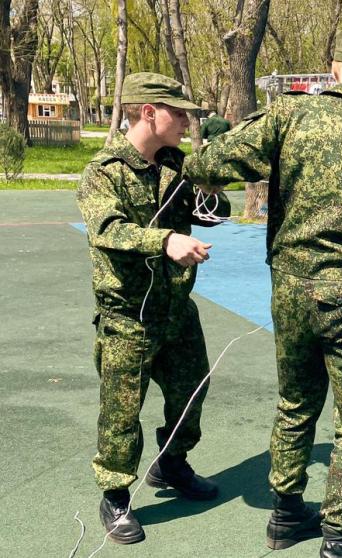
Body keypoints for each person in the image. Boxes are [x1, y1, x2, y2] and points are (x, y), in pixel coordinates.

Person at [184, 27, 342, 557]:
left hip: (289, 290)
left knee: (296, 401)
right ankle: (340, 537)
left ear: (334, 68)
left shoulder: (287, 116)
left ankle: (286, 514)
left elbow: (205, 166)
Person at [76, 72, 229, 545]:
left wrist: (212, 192)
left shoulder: (177, 167)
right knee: (121, 413)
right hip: (128, 317)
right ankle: (116, 496)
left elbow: (215, 212)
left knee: (191, 393)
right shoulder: (103, 171)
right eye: (178, 113)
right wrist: (166, 240)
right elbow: (109, 229)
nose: (186, 122)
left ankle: (173, 464)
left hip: (177, 311)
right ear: (149, 113)